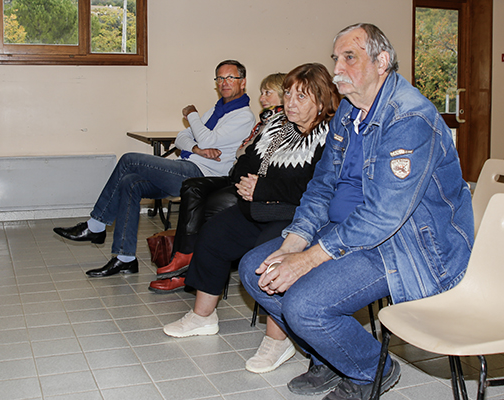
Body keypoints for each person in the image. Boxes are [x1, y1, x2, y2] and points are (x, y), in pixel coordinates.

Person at [239, 23, 474, 400]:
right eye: (336, 58)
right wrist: (294, 241)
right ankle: (331, 357)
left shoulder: (410, 118)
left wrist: (308, 259)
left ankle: (371, 370)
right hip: (345, 229)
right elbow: (322, 184)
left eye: (350, 57)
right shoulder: (349, 110)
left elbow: (383, 216)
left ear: (382, 62)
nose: (337, 69)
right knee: (255, 269)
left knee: (305, 305)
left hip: (402, 243)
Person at [163, 63, 342, 376]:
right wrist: (245, 182)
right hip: (255, 207)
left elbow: (316, 185)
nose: (290, 102)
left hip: (296, 217)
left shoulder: (330, 136)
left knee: (267, 259)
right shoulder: (275, 125)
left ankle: (278, 339)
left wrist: (265, 187)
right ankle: (203, 316)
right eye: (288, 94)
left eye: (301, 97)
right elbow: (244, 161)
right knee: (213, 234)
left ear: (321, 101)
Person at [53, 60, 256, 277]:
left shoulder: (244, 116)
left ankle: (95, 225)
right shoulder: (217, 110)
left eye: (230, 78)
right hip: (186, 166)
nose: (224, 83)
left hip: (203, 176)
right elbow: (182, 137)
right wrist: (196, 148)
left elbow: (206, 138)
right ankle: (125, 259)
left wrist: (192, 115)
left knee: (129, 160)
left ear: (242, 82)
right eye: (220, 78)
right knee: (130, 182)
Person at [149, 72, 287, 293]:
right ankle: (184, 255)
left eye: (267, 93)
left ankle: (192, 271)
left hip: (250, 182)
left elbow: (252, 158)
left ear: (283, 95)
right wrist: (197, 148)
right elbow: (187, 138)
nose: (262, 98)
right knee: (192, 186)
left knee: (211, 203)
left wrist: (193, 118)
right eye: (262, 92)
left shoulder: (279, 125)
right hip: (235, 175)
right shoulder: (262, 122)